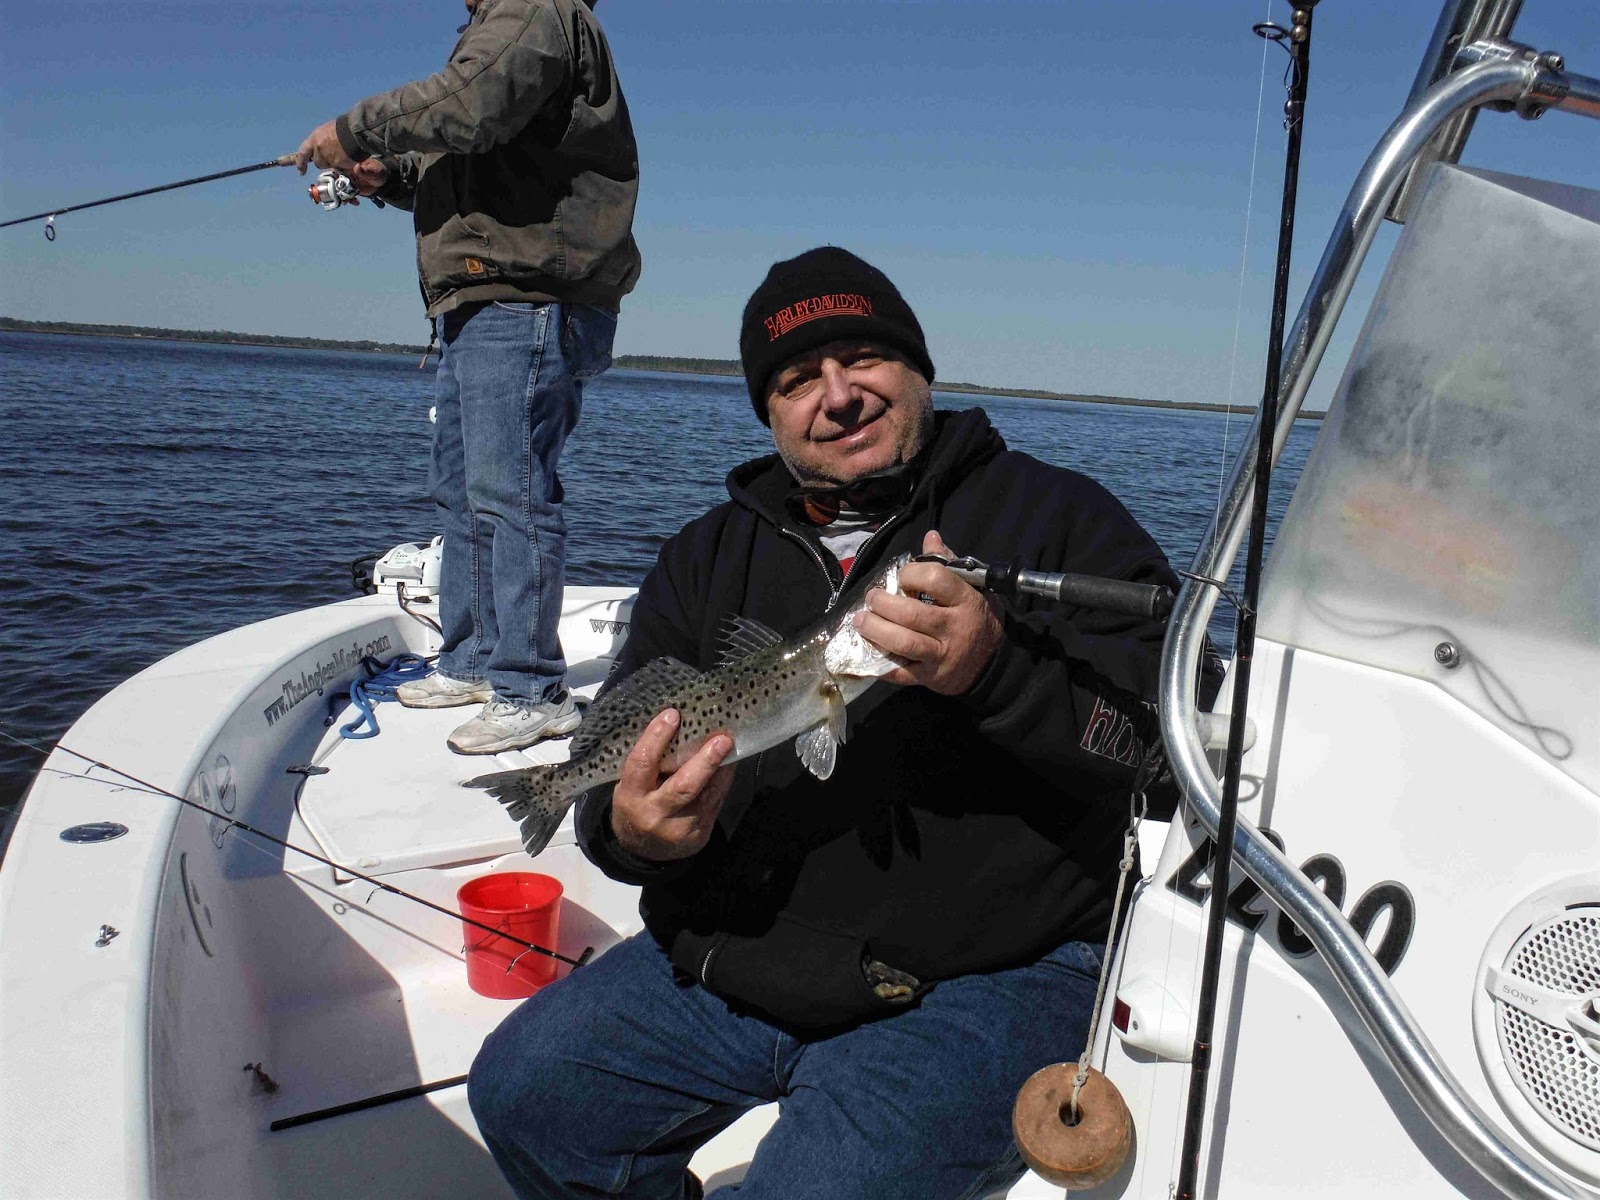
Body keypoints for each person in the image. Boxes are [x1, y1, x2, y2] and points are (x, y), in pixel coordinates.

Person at [468, 247, 1198, 1199]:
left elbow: (1154, 747)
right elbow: (624, 742)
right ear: (770, 415)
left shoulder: (1054, 516)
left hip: (983, 976)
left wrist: (995, 672)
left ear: (918, 370)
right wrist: (632, 831)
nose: (839, 394)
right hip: (739, 948)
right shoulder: (703, 556)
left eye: (864, 359)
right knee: (525, 1093)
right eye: (798, 379)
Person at [295, 0, 640, 754]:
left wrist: (349, 131)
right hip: (479, 304)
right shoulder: (520, 24)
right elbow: (463, 153)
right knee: (462, 491)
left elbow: (469, 102)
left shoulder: (534, 10)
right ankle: (475, 661)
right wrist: (384, 173)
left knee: (508, 493)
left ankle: (530, 688)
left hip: (523, 299)